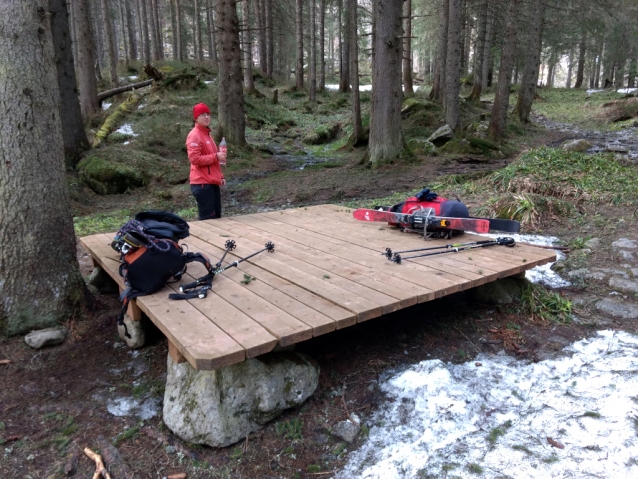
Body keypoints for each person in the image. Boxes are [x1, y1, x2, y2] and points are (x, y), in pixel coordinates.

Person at [186, 103, 227, 220]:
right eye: (202, 115)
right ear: (196, 118)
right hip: (202, 184)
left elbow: (214, 159)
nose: (206, 117)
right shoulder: (194, 135)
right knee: (208, 222)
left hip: (212, 182)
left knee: (217, 218)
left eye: (208, 114)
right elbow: (194, 159)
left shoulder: (207, 134)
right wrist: (216, 156)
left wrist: (221, 176)